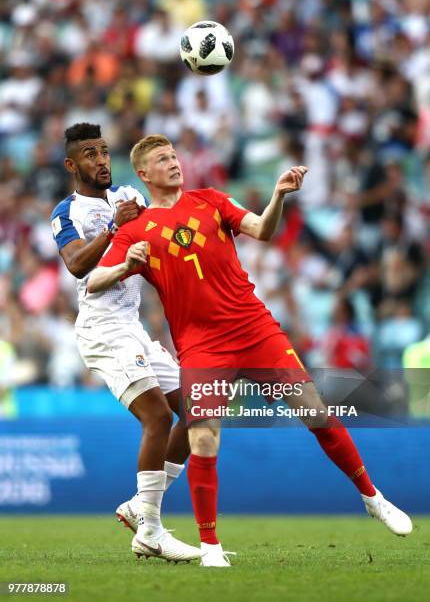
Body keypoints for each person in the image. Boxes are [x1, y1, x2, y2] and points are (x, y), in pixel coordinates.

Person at [88, 134, 413, 567]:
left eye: (174, 155)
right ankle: (210, 547)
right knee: (203, 436)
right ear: (144, 174)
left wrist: (278, 195)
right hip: (202, 345)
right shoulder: (134, 230)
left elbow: (261, 229)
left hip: (254, 328)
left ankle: (373, 498)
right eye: (162, 159)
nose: (174, 162)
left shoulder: (210, 199)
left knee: (315, 411)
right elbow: (93, 282)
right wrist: (128, 265)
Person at [51, 123, 202, 563]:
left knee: (200, 411)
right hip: (101, 328)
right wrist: (114, 231)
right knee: (156, 415)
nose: (100, 161)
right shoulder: (67, 212)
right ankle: (152, 530)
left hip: (132, 327)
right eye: (89, 154)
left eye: (103, 152)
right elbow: (77, 265)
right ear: (71, 164)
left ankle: (141, 508)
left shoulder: (128, 197)